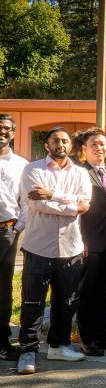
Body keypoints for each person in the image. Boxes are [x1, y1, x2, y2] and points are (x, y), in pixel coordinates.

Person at [16, 127, 92, 375]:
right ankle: (28, 350)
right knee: (32, 301)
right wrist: (68, 202)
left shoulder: (80, 173)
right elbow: (38, 203)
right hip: (39, 246)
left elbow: (85, 206)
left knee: (66, 301)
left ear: (71, 145)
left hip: (71, 247)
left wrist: (53, 195)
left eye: (65, 141)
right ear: (47, 145)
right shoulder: (33, 169)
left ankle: (58, 346)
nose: (61, 144)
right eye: (55, 140)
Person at [76, 128, 106, 356]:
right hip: (89, 241)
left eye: (103, 144)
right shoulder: (79, 173)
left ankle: (101, 334)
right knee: (88, 292)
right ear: (84, 149)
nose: (99, 148)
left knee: (105, 290)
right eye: (94, 144)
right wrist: (80, 240)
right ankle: (87, 338)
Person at [0, 114, 27, 361]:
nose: (2, 132)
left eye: (7, 129)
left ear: (13, 133)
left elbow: (26, 199)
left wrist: (19, 226)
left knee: (3, 287)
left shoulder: (20, 164)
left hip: (6, 231)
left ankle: (2, 339)